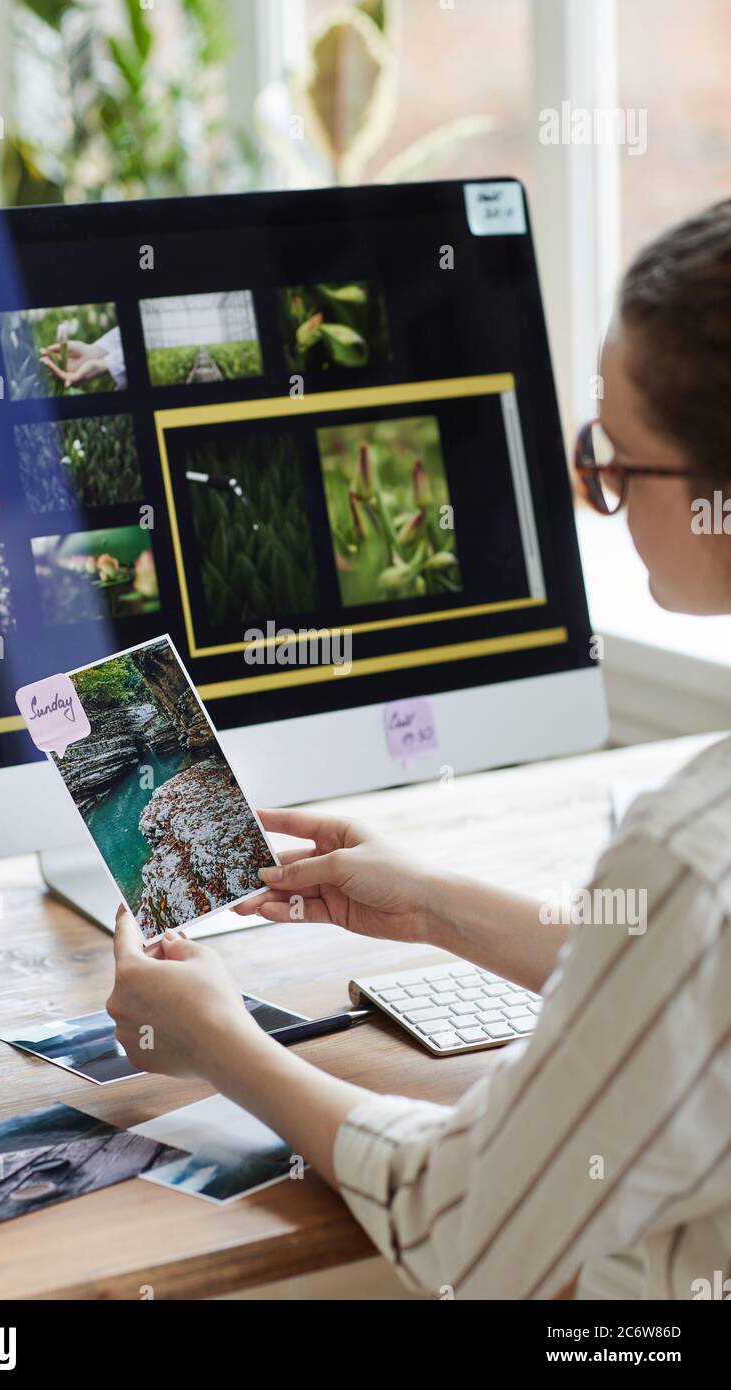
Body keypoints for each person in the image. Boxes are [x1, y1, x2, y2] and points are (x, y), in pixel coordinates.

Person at [107, 200, 731, 1301]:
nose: (598, 497)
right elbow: (692, 1003)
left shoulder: (690, 850)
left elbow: (467, 1227)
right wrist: (435, 906)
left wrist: (222, 1043)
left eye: (615, 466)